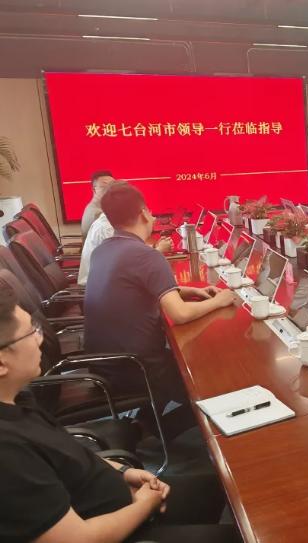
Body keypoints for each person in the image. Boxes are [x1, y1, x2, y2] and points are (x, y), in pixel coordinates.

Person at [0, 287, 240, 543]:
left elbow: (67, 455)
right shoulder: (8, 451)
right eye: (31, 332)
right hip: (115, 528)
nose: (40, 340)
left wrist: (123, 472)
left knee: (225, 488)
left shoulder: (18, 400)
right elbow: (77, 539)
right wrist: (144, 505)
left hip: (121, 498)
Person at [83, 183, 237, 427]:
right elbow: (180, 314)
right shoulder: (147, 255)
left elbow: (135, 286)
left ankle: (146, 423)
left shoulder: (103, 250)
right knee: (215, 380)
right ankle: (151, 430)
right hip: (137, 368)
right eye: (150, 211)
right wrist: (219, 301)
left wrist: (190, 290)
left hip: (103, 364)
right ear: (144, 213)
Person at [78, 181, 172, 285]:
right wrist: (157, 251)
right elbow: (130, 262)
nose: (153, 218)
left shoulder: (111, 226)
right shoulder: (106, 228)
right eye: (148, 211)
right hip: (92, 284)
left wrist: (153, 249)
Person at [81, 170, 116, 239]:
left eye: (112, 185)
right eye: (104, 186)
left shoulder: (93, 207)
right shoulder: (99, 214)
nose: (110, 189)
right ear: (94, 190)